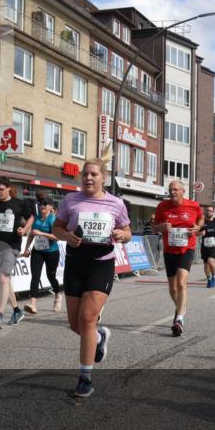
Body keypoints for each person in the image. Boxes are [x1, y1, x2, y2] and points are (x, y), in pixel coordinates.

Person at [51, 151, 132, 398]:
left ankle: (85, 377)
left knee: (87, 319)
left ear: (103, 178)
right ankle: (99, 337)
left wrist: (122, 235)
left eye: (93, 174)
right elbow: (57, 228)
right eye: (85, 174)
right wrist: (66, 236)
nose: (88, 177)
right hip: (75, 263)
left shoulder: (116, 203)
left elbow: (127, 230)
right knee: (75, 324)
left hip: (101, 264)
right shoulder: (70, 200)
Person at [153, 180, 204, 337]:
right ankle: (181, 307)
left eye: (175, 189)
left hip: (187, 248)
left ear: (183, 191)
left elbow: (200, 219)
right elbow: (154, 226)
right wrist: (161, 227)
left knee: (181, 282)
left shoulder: (193, 205)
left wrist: (197, 227)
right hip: (170, 250)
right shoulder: (162, 206)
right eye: (170, 189)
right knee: (173, 287)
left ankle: (179, 319)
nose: (172, 191)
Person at [0, 177, 33, 328]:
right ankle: (17, 310)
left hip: (12, 245)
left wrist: (24, 230)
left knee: (4, 278)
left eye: (1, 190)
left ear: (9, 188)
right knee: (6, 281)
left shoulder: (19, 203)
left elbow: (31, 217)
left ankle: (0, 315)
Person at [20, 199, 62, 314]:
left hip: (51, 252)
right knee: (35, 276)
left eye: (45, 204)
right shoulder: (36, 218)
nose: (42, 206)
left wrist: (42, 233)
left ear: (50, 207)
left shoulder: (52, 219)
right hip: (37, 250)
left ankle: (58, 295)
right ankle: (32, 304)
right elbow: (31, 235)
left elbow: (57, 237)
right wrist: (26, 248)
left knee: (51, 276)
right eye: (40, 205)